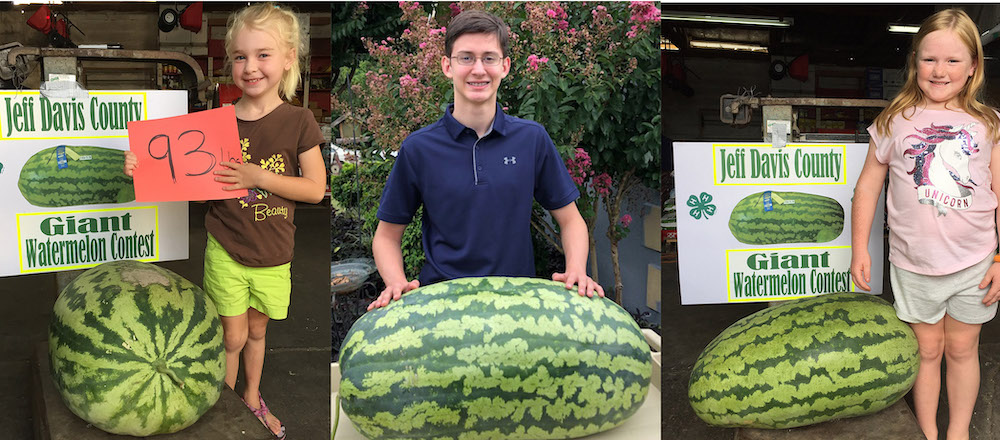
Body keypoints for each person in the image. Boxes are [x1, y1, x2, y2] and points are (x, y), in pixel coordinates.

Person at [124, 3, 325, 439]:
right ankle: (224, 408)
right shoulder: (215, 124)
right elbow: (196, 188)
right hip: (226, 249)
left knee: (257, 331)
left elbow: (314, 189)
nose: (250, 67)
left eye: (263, 54)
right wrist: (144, 168)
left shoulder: (299, 121)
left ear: (288, 58)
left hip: (274, 253)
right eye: (240, 56)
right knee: (231, 336)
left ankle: (252, 398)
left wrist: (258, 177)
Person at [369, 10, 603, 310]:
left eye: (489, 58)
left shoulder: (532, 139)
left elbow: (571, 220)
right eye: (466, 58)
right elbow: (386, 236)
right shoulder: (419, 148)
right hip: (441, 306)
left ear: (505, 66)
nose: (478, 69)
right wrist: (395, 281)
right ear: (447, 66)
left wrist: (577, 270)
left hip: (518, 304)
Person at [851, 9, 1000, 440]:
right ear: (914, 61)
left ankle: (958, 432)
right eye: (929, 59)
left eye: (953, 60)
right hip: (913, 265)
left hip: (975, 264)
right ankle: (929, 432)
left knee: (962, 349)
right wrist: (860, 249)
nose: (940, 70)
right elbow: (867, 189)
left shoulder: (988, 124)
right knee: (927, 351)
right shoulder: (893, 121)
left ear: (973, 66)